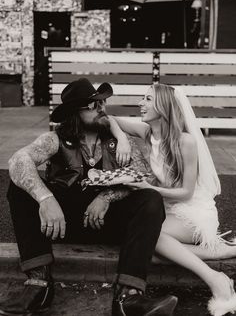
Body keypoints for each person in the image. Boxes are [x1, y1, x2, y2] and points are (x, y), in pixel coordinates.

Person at [0, 78, 178, 316]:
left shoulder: (119, 141)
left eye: (102, 103)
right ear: (76, 112)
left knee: (150, 198)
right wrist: (45, 199)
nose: (102, 108)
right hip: (62, 224)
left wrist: (107, 196)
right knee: (19, 186)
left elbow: (143, 177)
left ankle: (128, 298)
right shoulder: (55, 139)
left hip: (108, 223)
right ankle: (39, 285)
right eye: (93, 105)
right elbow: (18, 160)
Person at [109, 83, 236, 316]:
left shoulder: (184, 141)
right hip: (171, 211)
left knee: (148, 237)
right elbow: (110, 119)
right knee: (152, 252)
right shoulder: (147, 133)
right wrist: (122, 138)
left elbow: (186, 193)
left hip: (194, 212)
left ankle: (215, 278)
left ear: (163, 106)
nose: (141, 103)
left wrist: (149, 188)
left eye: (148, 99)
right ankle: (217, 252)